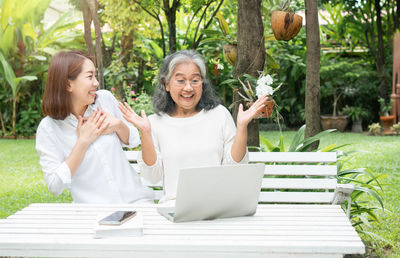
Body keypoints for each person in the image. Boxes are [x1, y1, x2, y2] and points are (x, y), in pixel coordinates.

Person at [119, 50, 268, 204]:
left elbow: (234, 168)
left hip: (217, 207)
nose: (188, 87)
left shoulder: (219, 115)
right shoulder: (153, 123)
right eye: (181, 80)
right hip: (175, 208)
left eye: (195, 80)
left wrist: (242, 127)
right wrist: (145, 132)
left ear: (202, 84)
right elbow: (152, 176)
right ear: (167, 84)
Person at [36, 50, 154, 203]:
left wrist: (118, 125)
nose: (96, 83)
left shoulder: (104, 99)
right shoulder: (49, 128)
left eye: (95, 76)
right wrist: (82, 142)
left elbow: (133, 140)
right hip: (93, 213)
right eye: (89, 76)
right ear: (67, 84)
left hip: (137, 201)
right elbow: (55, 186)